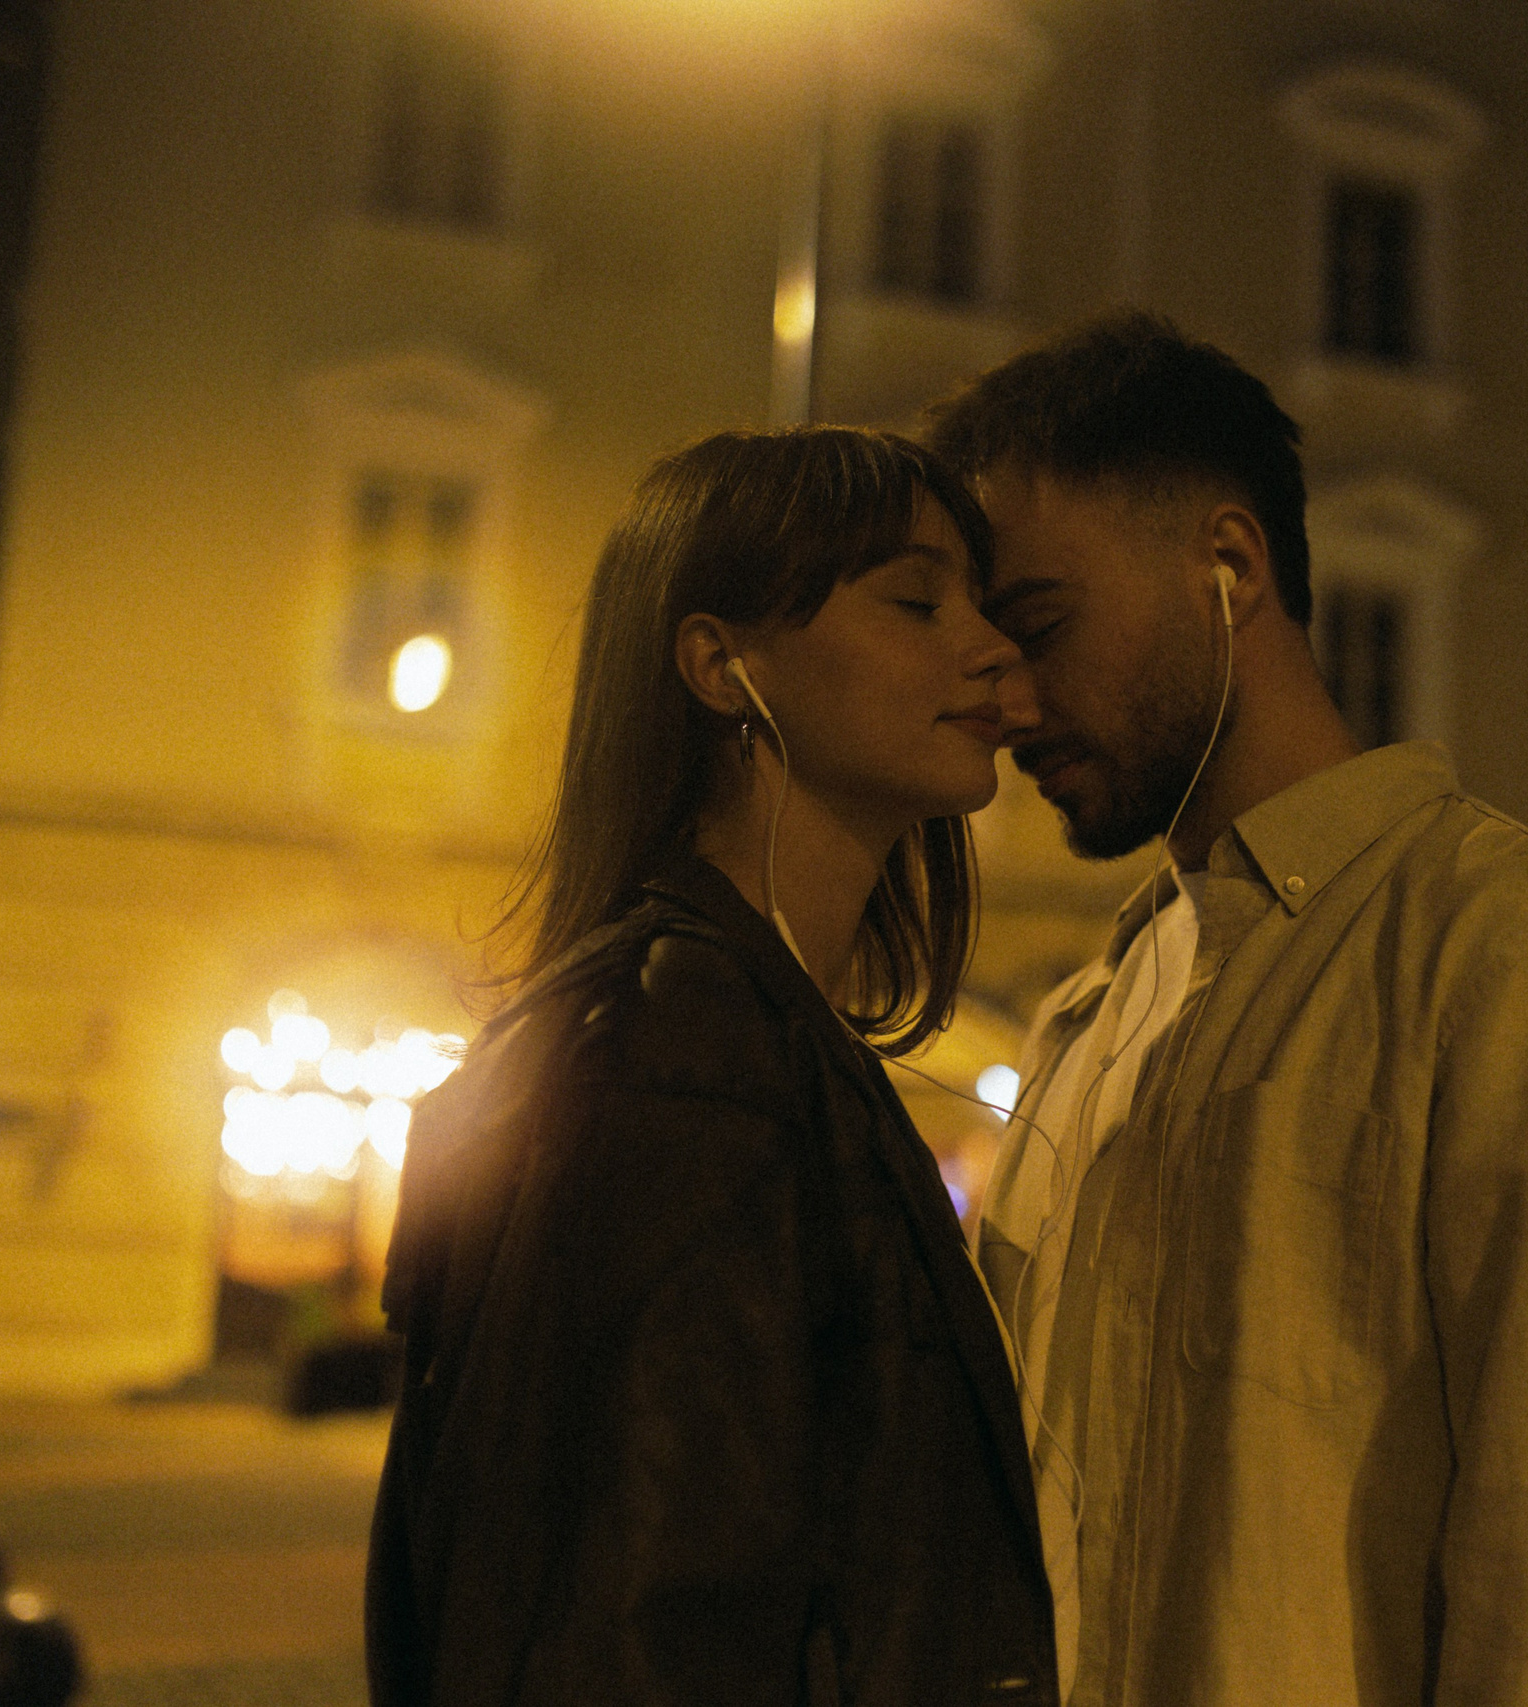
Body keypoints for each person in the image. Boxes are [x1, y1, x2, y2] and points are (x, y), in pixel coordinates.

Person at [925, 313, 1528, 1705]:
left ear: (1228, 567)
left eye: (1043, 624)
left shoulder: (1525, 963)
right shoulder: (1084, 1020)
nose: (1010, 697)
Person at [366, 427, 1058, 1706]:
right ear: (720, 666)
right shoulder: (683, 1046)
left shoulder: (749, 1025)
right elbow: (630, 1620)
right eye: (916, 602)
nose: (993, 650)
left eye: (988, 605)